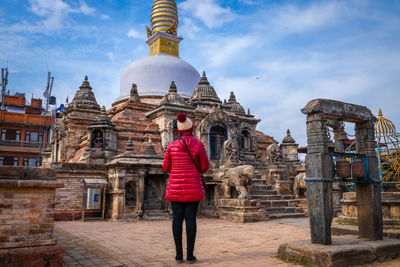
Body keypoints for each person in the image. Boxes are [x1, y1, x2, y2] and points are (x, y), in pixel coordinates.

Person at [163, 113, 210, 264]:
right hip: (193, 188)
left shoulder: (171, 146)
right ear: (191, 128)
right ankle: (190, 255)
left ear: (178, 130)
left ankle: (178, 255)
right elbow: (204, 167)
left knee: (177, 219)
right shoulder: (198, 144)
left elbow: (166, 167)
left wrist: (177, 170)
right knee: (190, 219)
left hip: (176, 188)